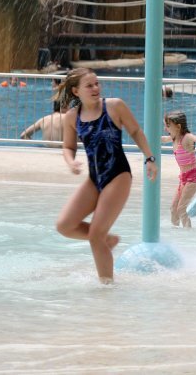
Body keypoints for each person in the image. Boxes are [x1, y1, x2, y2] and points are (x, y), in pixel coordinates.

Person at [54, 69, 156, 283]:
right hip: (94, 179)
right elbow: (68, 147)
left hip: (118, 175)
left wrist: (149, 158)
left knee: (95, 236)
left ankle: (107, 287)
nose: (95, 88)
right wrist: (71, 162)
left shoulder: (114, 106)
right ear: (76, 91)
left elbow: (135, 131)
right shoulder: (72, 116)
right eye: (89, 85)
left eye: (97, 83)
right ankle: (106, 240)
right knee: (64, 225)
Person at [164, 111, 196, 228]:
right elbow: (163, 139)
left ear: (178, 126)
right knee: (173, 209)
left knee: (181, 208)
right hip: (183, 178)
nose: (165, 128)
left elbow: (195, 138)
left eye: (168, 125)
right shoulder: (174, 138)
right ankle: (176, 233)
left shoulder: (186, 139)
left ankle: (188, 235)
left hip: (193, 177)